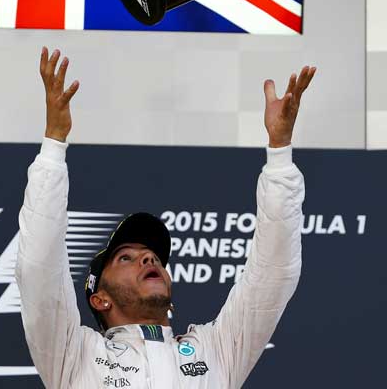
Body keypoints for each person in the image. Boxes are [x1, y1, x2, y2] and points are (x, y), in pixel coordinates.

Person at [16, 47, 316, 389]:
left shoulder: (216, 350)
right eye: (125, 257)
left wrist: (280, 152)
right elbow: (38, 267)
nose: (148, 257)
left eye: (154, 256)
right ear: (100, 299)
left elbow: (273, 274)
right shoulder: (75, 353)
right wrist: (53, 146)